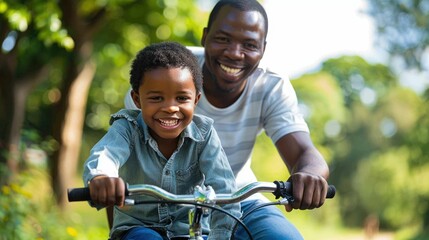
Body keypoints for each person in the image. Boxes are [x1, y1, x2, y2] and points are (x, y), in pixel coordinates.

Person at [125, 0, 331, 239]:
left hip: (239, 197)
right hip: (161, 203)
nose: (234, 53)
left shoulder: (271, 86)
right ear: (205, 37)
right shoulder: (162, 74)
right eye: (222, 39)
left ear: (263, 48)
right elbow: (123, 161)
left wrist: (311, 174)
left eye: (250, 44)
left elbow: (304, 152)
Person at [84, 41, 240, 240]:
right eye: (157, 98)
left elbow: (225, 189)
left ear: (196, 100)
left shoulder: (205, 134)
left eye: (182, 98)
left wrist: (220, 236)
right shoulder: (127, 128)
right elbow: (105, 154)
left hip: (190, 229)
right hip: (138, 229)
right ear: (137, 99)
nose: (170, 108)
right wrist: (102, 178)